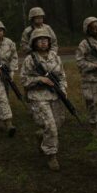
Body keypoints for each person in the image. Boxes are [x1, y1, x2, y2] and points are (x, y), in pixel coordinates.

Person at [20, 28, 67, 171]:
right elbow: (24, 79)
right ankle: (51, 155)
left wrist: (64, 90)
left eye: (45, 40)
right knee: (51, 127)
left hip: (55, 96)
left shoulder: (55, 57)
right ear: (34, 43)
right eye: (40, 40)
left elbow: (62, 76)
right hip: (38, 96)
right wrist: (40, 79)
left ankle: (41, 136)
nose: (43, 42)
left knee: (58, 123)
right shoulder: (30, 59)